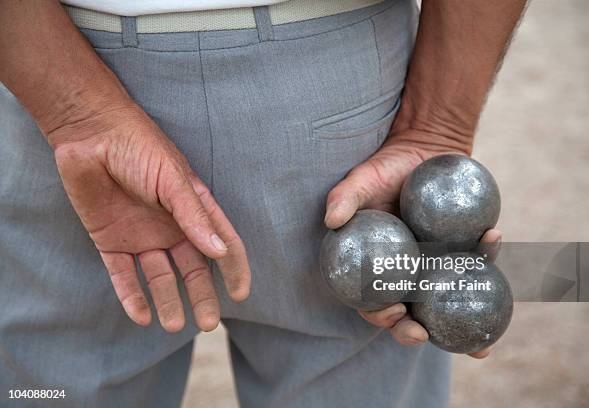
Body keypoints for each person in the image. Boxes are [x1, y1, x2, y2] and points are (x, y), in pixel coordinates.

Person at [0, 0, 526, 406]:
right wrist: (438, 123)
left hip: (53, 74)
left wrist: (78, 117)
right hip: (340, 93)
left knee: (54, 387)